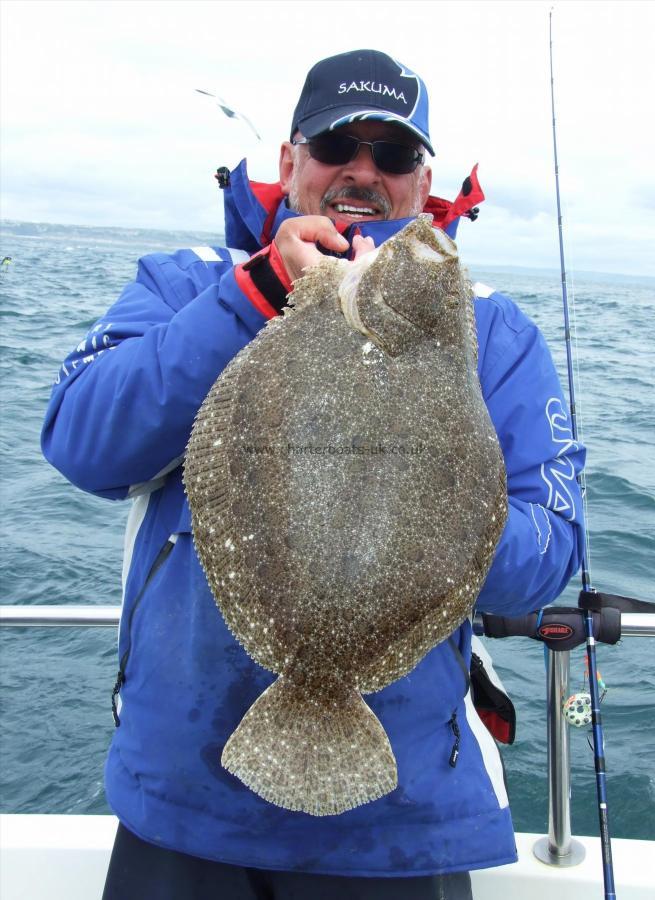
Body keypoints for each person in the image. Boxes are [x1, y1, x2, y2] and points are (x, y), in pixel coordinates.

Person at [42, 49, 585, 900]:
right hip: (184, 800)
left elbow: (546, 557)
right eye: (337, 146)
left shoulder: (491, 332)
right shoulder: (190, 284)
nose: (363, 172)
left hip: (403, 824)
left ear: (423, 179)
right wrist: (255, 294)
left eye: (394, 156)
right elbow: (82, 443)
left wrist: (440, 509)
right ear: (290, 160)